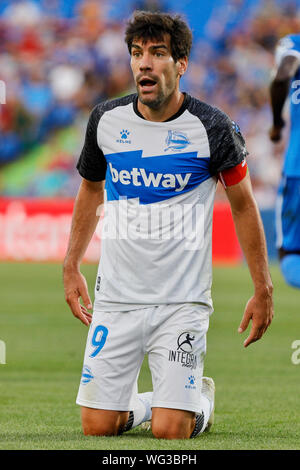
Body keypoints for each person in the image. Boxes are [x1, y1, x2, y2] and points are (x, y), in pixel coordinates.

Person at [63, 11, 274, 440]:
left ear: (181, 65)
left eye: (158, 53)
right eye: (138, 54)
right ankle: (160, 400)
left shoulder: (213, 128)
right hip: (117, 300)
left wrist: (262, 286)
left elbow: (244, 206)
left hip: (181, 302)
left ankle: (198, 399)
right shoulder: (105, 121)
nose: (145, 63)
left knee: (171, 432)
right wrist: (71, 265)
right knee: (98, 427)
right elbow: (89, 190)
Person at [269, 34, 300, 288]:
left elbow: (283, 74)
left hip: (297, 169)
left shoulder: (293, 45)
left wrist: (277, 123)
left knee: (289, 253)